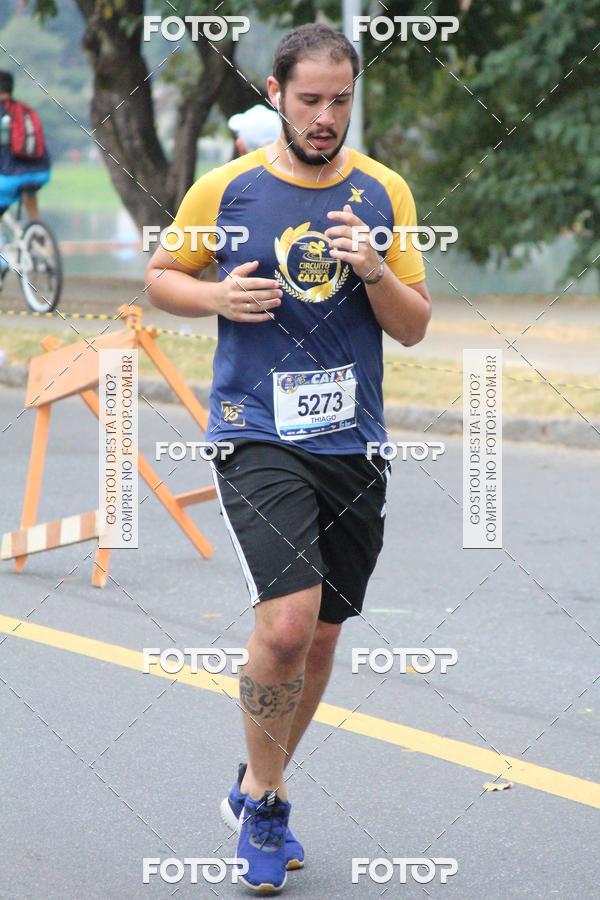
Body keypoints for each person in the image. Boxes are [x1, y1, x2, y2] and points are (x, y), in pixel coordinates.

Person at [146, 22, 431, 894]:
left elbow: (415, 326)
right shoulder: (227, 189)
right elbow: (161, 276)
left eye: (340, 100)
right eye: (309, 99)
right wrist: (215, 295)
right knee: (285, 626)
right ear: (275, 95)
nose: (324, 116)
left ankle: (253, 782)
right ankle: (268, 804)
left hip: (352, 442)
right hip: (256, 429)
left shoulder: (383, 191)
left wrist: (374, 270)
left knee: (324, 635)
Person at [0, 70, 51, 282]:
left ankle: (2, 262)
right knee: (28, 188)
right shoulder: (25, 110)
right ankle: (36, 227)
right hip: (40, 173)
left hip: (9, 178)